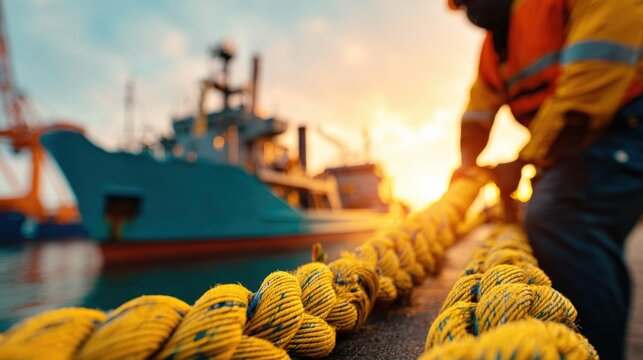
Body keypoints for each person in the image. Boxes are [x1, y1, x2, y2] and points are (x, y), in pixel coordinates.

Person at [447, 0, 643, 359]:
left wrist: (524, 160)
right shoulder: (496, 46)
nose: (467, 9)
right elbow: (479, 107)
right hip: (570, 147)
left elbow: (590, 85)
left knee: (559, 216)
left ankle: (596, 349)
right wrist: (467, 164)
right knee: (555, 216)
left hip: (623, 130)